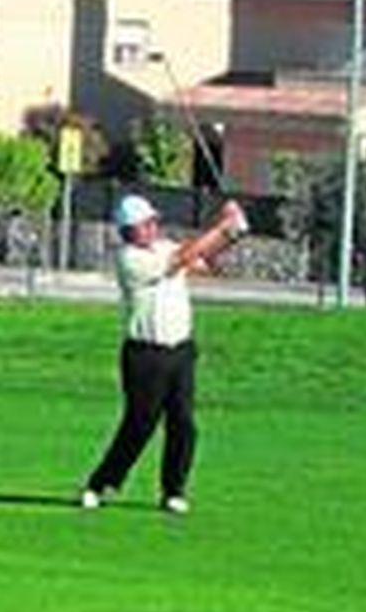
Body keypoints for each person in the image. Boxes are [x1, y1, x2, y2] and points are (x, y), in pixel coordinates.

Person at [81, 193, 247, 516]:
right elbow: (183, 258)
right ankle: (100, 483)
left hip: (180, 352)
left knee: (183, 423)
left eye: (153, 221)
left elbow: (204, 261)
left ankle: (174, 491)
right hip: (144, 355)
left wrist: (232, 232)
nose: (153, 226)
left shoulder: (166, 246)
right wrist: (221, 225)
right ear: (129, 230)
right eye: (146, 223)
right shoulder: (130, 259)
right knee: (140, 425)